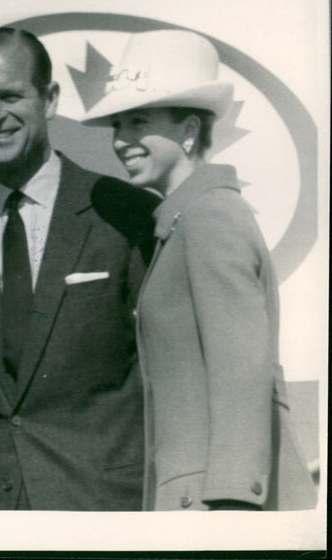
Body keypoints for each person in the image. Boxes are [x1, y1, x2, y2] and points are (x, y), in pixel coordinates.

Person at [0, 28, 158, 510]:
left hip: (101, 505)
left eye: (10, 95)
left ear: (48, 100)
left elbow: (166, 381)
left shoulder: (124, 215)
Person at [81, 29, 317, 511]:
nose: (121, 140)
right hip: (192, 502)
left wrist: (231, 508)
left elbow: (241, 376)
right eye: (117, 125)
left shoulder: (210, 217)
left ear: (189, 129)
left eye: (138, 121)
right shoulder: (185, 220)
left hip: (213, 509)